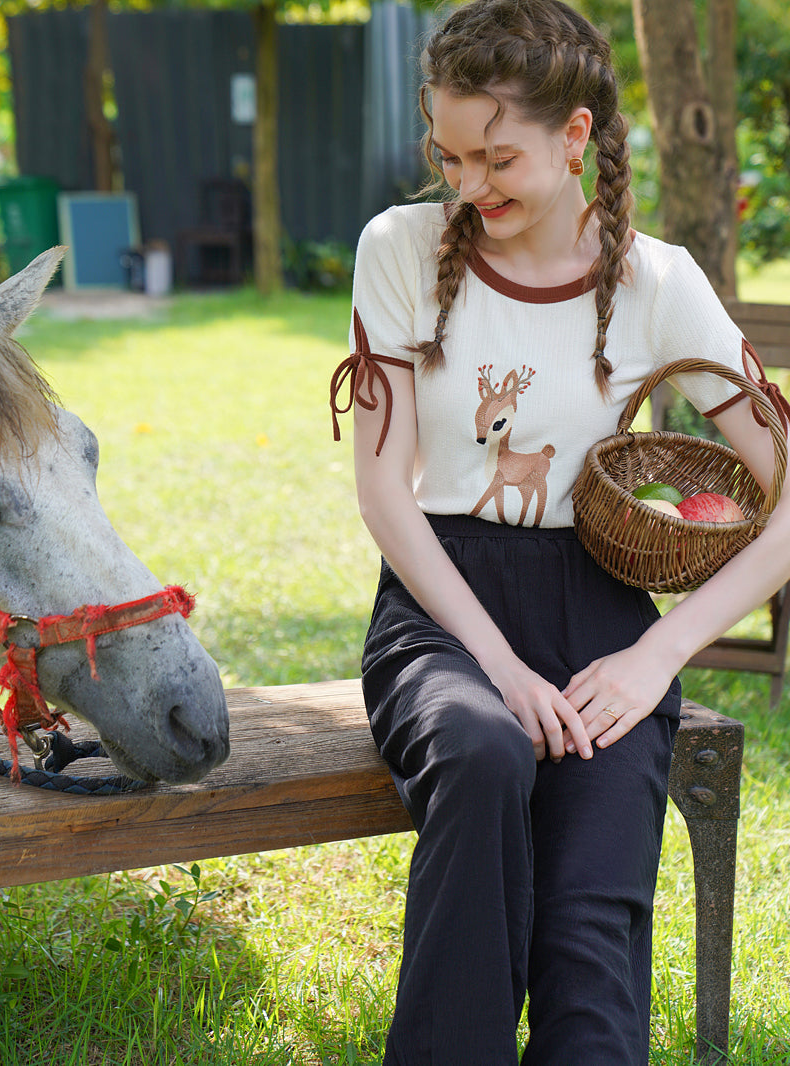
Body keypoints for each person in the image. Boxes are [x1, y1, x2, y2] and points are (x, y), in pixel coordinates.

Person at [329, 1, 790, 1062]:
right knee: (484, 751)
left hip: (600, 626)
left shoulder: (657, 282)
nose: (466, 187)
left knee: (589, 936)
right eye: (448, 157)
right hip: (440, 615)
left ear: (574, 136)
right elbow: (384, 491)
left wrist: (659, 651)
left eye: (496, 159)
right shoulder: (397, 248)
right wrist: (494, 665)